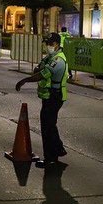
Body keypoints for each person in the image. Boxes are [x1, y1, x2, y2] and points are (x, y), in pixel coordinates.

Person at [16, 32, 69, 168]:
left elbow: (42, 73)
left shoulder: (58, 60)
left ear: (57, 44)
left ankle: (50, 159)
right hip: (49, 96)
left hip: (55, 96)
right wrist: (39, 70)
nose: (48, 46)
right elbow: (37, 68)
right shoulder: (50, 57)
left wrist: (25, 80)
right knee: (50, 125)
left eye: (50, 44)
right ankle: (58, 150)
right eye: (47, 43)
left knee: (47, 128)